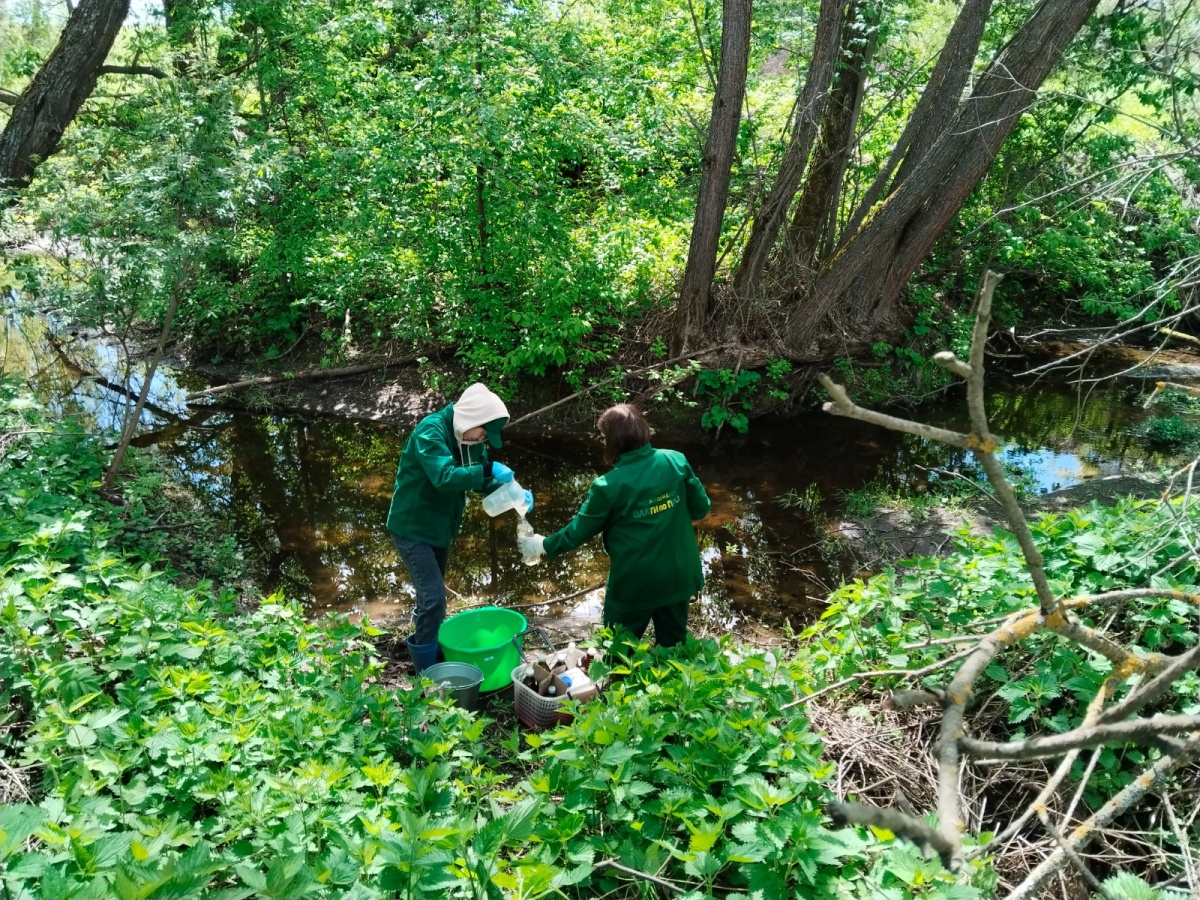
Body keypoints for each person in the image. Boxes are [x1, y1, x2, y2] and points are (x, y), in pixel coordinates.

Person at [519, 404, 710, 647]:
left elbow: (578, 532)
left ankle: (622, 684)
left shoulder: (608, 486)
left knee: (618, 651)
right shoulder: (675, 461)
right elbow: (701, 508)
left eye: (602, 437)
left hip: (635, 584)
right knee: (673, 650)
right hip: (679, 575)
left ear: (613, 442)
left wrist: (542, 545)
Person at [387, 383, 524, 672]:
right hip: (413, 527)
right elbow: (445, 477)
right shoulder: (431, 431)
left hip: (440, 528)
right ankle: (425, 671)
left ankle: (429, 646)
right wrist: (488, 470)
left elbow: (481, 480)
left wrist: (513, 490)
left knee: (431, 599)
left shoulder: (470, 439)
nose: (483, 440)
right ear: (471, 419)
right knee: (434, 599)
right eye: (483, 433)